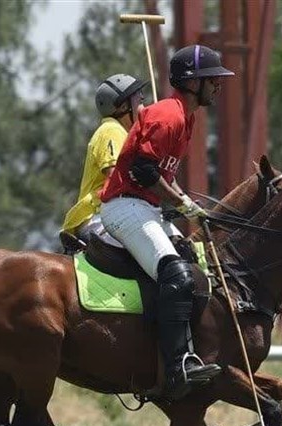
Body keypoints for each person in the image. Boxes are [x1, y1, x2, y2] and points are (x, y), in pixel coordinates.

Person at [99, 45, 235, 401]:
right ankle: (176, 367)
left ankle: (193, 352)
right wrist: (182, 201)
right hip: (124, 206)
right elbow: (143, 172)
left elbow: (160, 174)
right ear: (192, 83)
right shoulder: (167, 116)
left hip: (146, 208)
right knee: (176, 274)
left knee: (194, 264)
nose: (218, 86)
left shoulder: (185, 118)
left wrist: (187, 203)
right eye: (213, 80)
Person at [60, 73, 148, 252]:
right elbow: (117, 179)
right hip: (98, 217)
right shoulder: (112, 130)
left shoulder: (122, 134)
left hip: (112, 215)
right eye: (139, 100)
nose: (144, 106)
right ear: (123, 106)